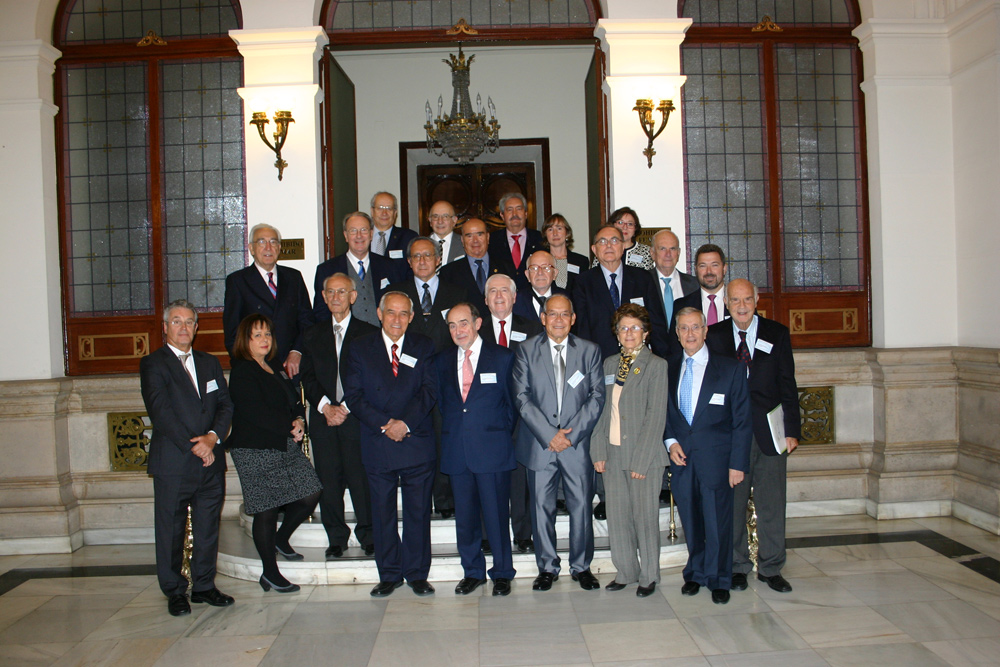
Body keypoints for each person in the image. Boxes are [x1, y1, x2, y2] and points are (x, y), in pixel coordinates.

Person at [140, 300, 234, 617]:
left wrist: (212, 438)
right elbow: (160, 412)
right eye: (176, 321)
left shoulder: (209, 362)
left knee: (208, 527)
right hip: (174, 461)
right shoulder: (153, 364)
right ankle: (174, 590)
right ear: (165, 327)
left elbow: (225, 405)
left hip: (210, 462)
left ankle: (204, 586)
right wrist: (195, 445)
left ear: (196, 327)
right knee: (171, 529)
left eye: (189, 321)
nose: (183, 327)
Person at [707, 279, 801, 594]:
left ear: (757, 300)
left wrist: (792, 431)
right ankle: (737, 566)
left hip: (770, 434)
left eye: (747, 299)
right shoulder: (714, 336)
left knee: (772, 502)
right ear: (726, 303)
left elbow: (788, 383)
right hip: (730, 436)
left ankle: (771, 568)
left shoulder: (777, 333)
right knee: (733, 505)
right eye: (735, 300)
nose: (742, 306)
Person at [342, 292, 438, 598]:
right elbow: (354, 395)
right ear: (379, 314)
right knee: (381, 513)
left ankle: (417, 574)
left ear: (411, 317)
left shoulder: (424, 346)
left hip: (415, 440)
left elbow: (429, 390)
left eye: (403, 313)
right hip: (378, 440)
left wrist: (404, 424)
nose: (397, 319)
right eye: (391, 313)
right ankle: (389, 574)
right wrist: (386, 424)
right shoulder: (359, 347)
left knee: (418, 512)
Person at [513, 294, 605, 592]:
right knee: (541, 508)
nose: (558, 320)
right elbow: (521, 397)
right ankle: (547, 567)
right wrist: (549, 434)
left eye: (565, 314)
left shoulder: (590, 351)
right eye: (552, 314)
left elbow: (597, 397)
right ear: (543, 318)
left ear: (573, 318)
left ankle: (582, 566)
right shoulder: (526, 350)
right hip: (540, 445)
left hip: (576, 446)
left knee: (581, 507)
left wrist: (570, 435)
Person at [227, 314, 322, 594]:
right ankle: (270, 572)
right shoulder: (242, 371)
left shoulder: (274, 366)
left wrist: (299, 419)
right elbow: (254, 412)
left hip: (281, 443)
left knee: (311, 492)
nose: (264, 339)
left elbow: (294, 399)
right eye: (257, 335)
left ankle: (281, 539)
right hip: (253, 449)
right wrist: (288, 427)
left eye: (267, 334)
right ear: (245, 340)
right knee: (266, 510)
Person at [665, 307, 752, 605]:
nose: (690, 333)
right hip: (682, 460)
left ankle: (719, 578)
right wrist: (670, 442)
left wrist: (737, 464)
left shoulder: (730, 368)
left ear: (705, 331)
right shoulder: (668, 367)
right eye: (684, 328)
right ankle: (696, 573)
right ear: (677, 333)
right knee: (691, 522)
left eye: (695, 327)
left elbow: (742, 421)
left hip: (718, 461)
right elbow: (663, 413)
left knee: (717, 523)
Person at [435, 302, 518, 596]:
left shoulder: (503, 357)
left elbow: (512, 407)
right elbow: (445, 405)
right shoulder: (442, 361)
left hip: (492, 451)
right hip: (458, 450)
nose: (458, 330)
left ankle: (502, 572)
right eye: (452, 325)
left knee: (496, 517)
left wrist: (493, 435)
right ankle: (473, 572)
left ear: (478, 323)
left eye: (464, 323)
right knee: (466, 519)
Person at [590, 304, 669, 597]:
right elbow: (601, 410)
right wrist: (598, 450)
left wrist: (642, 459)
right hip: (613, 453)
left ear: (645, 332)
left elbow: (656, 415)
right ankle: (625, 571)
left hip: (643, 457)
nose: (629, 333)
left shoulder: (656, 365)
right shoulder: (609, 364)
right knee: (618, 517)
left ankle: (648, 575)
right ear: (616, 333)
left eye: (635, 327)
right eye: (623, 327)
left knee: (645, 519)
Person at [387, 236, 467, 518]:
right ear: (409, 262)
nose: (422, 261)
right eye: (416, 257)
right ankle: (418, 498)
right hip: (408, 382)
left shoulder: (456, 292)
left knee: (445, 438)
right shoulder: (396, 293)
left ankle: (445, 500)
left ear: (438, 260)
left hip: (447, 380)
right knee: (416, 440)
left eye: (428, 255)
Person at [300, 273, 378, 559]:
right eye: (330, 292)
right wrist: (325, 407)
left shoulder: (369, 333)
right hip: (323, 419)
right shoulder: (311, 334)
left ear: (353, 297)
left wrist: (344, 407)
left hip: (355, 418)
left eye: (342, 292)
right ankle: (336, 537)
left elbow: (369, 377)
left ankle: (369, 535)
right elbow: (307, 376)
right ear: (323, 297)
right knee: (328, 481)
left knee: (360, 480)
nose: (336, 297)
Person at [478, 273, 543, 554]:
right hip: (486, 418)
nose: (499, 296)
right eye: (493, 291)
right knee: (487, 479)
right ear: (485, 299)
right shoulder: (475, 329)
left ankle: (523, 532)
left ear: (515, 297)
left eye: (504, 290)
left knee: (520, 479)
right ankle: (488, 534)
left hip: (524, 417)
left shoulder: (533, 328)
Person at [223, 223, 313, 378]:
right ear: (251, 248)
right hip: (255, 368)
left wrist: (297, 351)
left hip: (290, 367)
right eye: (262, 242)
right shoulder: (238, 281)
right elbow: (233, 331)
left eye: (273, 242)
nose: (268, 247)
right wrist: (246, 365)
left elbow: (307, 321)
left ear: (279, 247)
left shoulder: (294, 277)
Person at [573, 226, 668, 362]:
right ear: (594, 249)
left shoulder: (642, 278)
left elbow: (656, 322)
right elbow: (582, 328)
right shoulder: (583, 282)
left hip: (639, 359)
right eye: (602, 241)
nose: (609, 246)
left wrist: (661, 359)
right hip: (600, 360)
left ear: (623, 246)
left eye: (614, 240)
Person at [313, 211, 402, 327]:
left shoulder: (389, 266)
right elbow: (321, 312)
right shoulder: (327, 270)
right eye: (353, 231)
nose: (359, 236)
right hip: (346, 335)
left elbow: (398, 303)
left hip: (380, 335)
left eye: (364, 230)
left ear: (371, 234)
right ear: (346, 235)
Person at [439, 218, 501, 317]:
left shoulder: (506, 268)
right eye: (469, 236)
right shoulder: (448, 272)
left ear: (488, 237)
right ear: (462, 240)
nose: (475, 240)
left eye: (479, 234)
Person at [488, 192, 543, 293]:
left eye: (519, 209)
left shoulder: (540, 238)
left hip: (533, 296)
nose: (514, 214)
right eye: (509, 210)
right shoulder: (491, 241)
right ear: (502, 215)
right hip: (502, 297)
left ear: (526, 213)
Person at [670, 243, 729, 333]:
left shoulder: (738, 303)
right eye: (702, 266)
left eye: (714, 265)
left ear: (724, 269)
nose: (709, 271)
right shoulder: (681, 305)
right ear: (696, 269)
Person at [512, 250, 571, 324]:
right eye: (534, 268)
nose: (540, 273)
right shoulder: (515, 301)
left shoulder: (566, 298)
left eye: (545, 267)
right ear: (527, 275)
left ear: (555, 273)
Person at [590, 207, 654, 270]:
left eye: (630, 224)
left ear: (635, 228)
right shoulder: (605, 250)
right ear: (612, 225)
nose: (625, 227)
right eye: (620, 222)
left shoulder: (646, 251)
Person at [369, 191, 417, 274]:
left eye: (389, 208)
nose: (384, 213)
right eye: (380, 208)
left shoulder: (409, 237)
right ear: (372, 211)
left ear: (395, 213)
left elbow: (415, 270)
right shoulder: (362, 237)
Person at [540, 213, 589, 291]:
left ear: (567, 233)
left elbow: (584, 290)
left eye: (559, 228)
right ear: (546, 235)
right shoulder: (539, 261)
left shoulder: (581, 261)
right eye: (550, 229)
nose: (555, 233)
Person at [427, 200, 465, 264]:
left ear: (454, 220)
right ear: (430, 221)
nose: (440, 221)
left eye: (445, 217)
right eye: (435, 217)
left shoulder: (465, 244)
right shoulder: (420, 245)